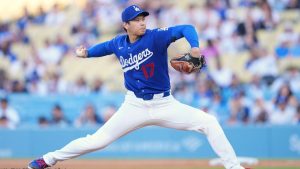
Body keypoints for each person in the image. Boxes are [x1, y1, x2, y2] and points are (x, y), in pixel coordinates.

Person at [28, 5, 249, 169]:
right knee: (96, 141)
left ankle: (234, 167)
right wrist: (86, 53)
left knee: (209, 122)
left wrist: (195, 48)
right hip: (133, 105)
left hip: (164, 103)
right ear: (126, 25)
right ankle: (48, 159)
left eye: (143, 18)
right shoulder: (118, 42)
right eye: (136, 19)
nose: (142, 22)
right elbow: (102, 48)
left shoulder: (156, 37)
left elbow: (186, 28)